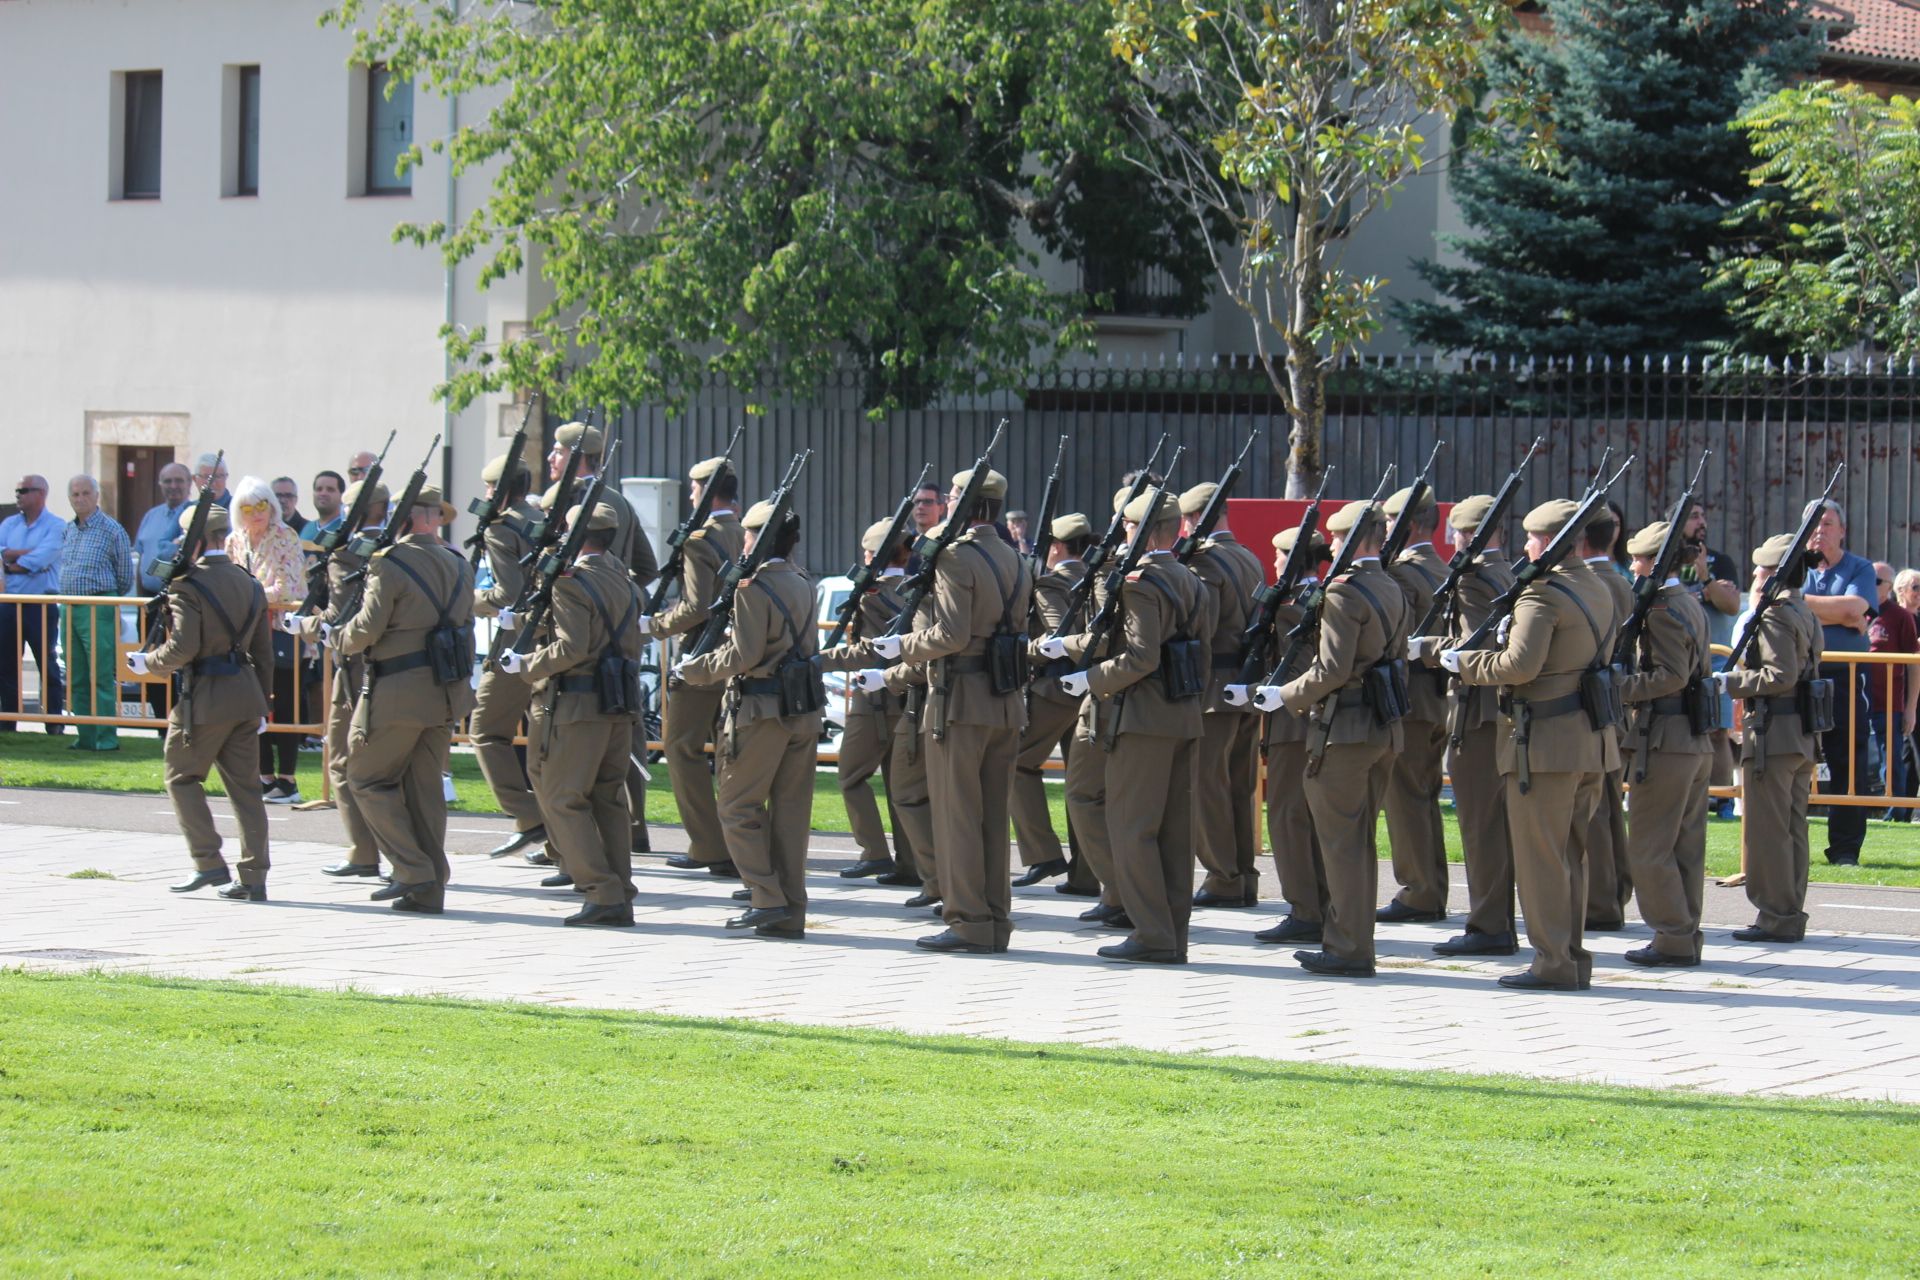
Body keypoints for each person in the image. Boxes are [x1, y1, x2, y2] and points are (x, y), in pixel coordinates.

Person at [1445, 499, 1618, 991]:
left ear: (1550, 541)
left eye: (1532, 538)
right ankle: (1571, 955)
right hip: (1587, 741)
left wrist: (1464, 663)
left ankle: (1552, 962)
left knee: (1542, 859)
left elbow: (1520, 666)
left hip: (1542, 746)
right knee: (1570, 857)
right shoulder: (1597, 586)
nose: (1525, 546)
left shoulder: (1542, 594)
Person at [863, 468, 1030, 955]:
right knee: (993, 820)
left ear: (969, 503)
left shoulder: (957, 557)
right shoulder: (1016, 558)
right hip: (1004, 700)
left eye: (954, 495)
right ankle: (995, 917)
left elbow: (952, 635)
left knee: (958, 816)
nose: (948, 501)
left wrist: (901, 645)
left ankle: (967, 921)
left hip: (959, 700)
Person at [1048, 490, 1212, 964]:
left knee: (1132, 828)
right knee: (1174, 835)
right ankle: (1171, 933)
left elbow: (1141, 656)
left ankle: (1152, 935)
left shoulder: (1142, 582)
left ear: (1134, 531)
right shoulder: (1188, 577)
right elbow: (1198, 654)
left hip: (1141, 718)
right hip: (1182, 715)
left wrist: (1090, 680)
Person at [1254, 499, 1406, 978]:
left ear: (1354, 541)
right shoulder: (1389, 584)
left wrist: (1284, 695)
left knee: (1341, 845)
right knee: (1357, 843)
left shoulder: (1344, 592)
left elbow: (1332, 670)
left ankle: (1348, 948)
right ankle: (1353, 941)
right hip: (1383, 727)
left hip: (1344, 730)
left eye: (1337, 539)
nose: (1331, 547)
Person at [675, 500, 820, 940]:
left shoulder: (752, 587)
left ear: (756, 538)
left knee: (737, 806)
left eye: (747, 536)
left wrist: (691, 669)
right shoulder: (801, 581)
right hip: (802, 708)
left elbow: (744, 654)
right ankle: (789, 910)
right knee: (790, 815)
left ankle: (765, 897)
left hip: (760, 710)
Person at [331, 484, 477, 915]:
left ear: (405, 518)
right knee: (424, 790)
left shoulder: (389, 564)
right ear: (432, 519)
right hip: (446, 692)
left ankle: (412, 870)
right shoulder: (458, 563)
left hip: (398, 690)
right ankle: (429, 890)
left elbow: (368, 628)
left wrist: (337, 635)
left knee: (365, 777)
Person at [500, 500, 643, 927]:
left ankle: (602, 891)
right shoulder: (625, 582)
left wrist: (524, 665)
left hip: (578, 706)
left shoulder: (572, 583)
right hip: (618, 703)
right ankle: (619, 888)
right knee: (608, 800)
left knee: (562, 799)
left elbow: (572, 647)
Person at [128, 505, 275, 901]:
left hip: (205, 698)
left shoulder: (187, 586)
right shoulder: (248, 582)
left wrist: (149, 664)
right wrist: (264, 702)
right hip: (246, 695)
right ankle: (254, 875)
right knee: (246, 791)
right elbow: (263, 651)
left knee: (180, 777)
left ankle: (208, 862)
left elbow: (183, 647)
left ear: (194, 539)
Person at [1416, 495, 1520, 957]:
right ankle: (1493, 919)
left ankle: (1489, 924)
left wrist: (1425, 646)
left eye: (1456, 532)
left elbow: (1473, 647)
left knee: (1481, 824)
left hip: (1477, 712)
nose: (1452, 539)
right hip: (1489, 711)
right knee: (1490, 823)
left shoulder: (1476, 579)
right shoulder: (1503, 571)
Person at [1616, 521, 1714, 967]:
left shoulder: (1662, 609)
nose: (1633, 565)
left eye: (1638, 558)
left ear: (1655, 562)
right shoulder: (1686, 602)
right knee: (1684, 847)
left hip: (1666, 740)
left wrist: (1619, 687)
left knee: (1650, 846)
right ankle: (1684, 933)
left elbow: (1670, 676)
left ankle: (1672, 935)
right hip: (1689, 739)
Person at [645, 456, 747, 876]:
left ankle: (708, 844)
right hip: (740, 650)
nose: (690, 495)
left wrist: (653, 625)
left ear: (706, 491)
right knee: (729, 752)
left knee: (681, 746)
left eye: (693, 488)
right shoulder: (746, 532)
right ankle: (738, 840)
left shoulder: (700, 540)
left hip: (701, 653)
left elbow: (693, 607)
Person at [1721, 533, 1823, 942]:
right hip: (1798, 733)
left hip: (1775, 735)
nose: (1756, 575)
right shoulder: (1803, 611)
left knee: (1769, 830)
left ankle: (1777, 916)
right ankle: (1788, 910)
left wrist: (1729, 681)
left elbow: (1779, 676)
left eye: (1761, 569)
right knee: (1792, 827)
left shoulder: (1777, 616)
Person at [284, 480, 388, 878]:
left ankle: (364, 851)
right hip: (403, 672)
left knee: (344, 764)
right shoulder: (402, 549)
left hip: (356, 672)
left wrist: (303, 624)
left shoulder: (347, 556)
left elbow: (338, 618)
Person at [1180, 482, 1266, 909]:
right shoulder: (1248, 555)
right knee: (1238, 784)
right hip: (1246, 685)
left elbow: (1203, 629)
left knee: (1207, 784)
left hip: (1215, 687)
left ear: (1192, 519)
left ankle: (1222, 877)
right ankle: (1242, 875)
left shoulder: (1205, 564)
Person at [1010, 514, 1102, 896]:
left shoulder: (1051, 581)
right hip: (1089, 688)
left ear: (1057, 548)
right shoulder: (1096, 577)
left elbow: (1056, 635)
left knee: (1015, 762)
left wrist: (1023, 651)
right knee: (1078, 785)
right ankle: (1084, 875)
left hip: (1053, 690)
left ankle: (1043, 852)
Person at [1250, 525, 1330, 945]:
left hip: (1293, 722)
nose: (1275, 562)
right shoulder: (1314, 598)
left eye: (1280, 556)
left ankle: (1305, 909)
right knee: (1306, 817)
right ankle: (1317, 903)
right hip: (1306, 720)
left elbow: (1296, 669)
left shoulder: (1293, 607)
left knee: (1287, 817)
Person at [829, 516, 920, 882]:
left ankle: (874, 852)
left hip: (874, 699)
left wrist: (822, 659)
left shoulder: (872, 596)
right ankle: (910, 863)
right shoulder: (916, 589)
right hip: (908, 695)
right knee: (900, 784)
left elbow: (867, 651)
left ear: (872, 554)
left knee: (850, 775)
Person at [1378, 484, 1452, 925]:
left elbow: (1392, 637)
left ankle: (1420, 891)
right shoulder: (1441, 568)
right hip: (1435, 697)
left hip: (1410, 696)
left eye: (1389, 522)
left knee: (1407, 799)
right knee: (1422, 797)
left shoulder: (1403, 574)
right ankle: (1429, 888)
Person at [468, 452, 547, 859]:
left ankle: (530, 816)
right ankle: (555, 837)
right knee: (544, 739)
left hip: (519, 643)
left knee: (484, 729)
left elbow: (508, 595)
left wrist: (469, 597)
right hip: (552, 640)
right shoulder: (541, 518)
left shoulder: (501, 529)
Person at [1801, 499, 1876, 867]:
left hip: (1845, 676)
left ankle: (1846, 849)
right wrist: (1839, 611)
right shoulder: (1793, 566)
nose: (1819, 530)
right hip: (1799, 675)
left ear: (1842, 530)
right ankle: (1788, 842)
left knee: (1849, 760)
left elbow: (1855, 610)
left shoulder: (1859, 567)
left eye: (1827, 523)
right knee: (1794, 759)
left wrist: (1799, 602)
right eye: (1813, 524)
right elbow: (1769, 601)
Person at [226, 475, 309, 802]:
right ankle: (264, 777)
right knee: (253, 704)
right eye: (248, 507)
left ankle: (287, 780)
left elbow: (292, 588)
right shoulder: (234, 540)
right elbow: (227, 583)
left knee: (286, 704)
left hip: (280, 632)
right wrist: (252, 595)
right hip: (247, 633)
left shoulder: (285, 536)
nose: (256, 513)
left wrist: (251, 593)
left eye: (262, 505)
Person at [1575, 505, 1632, 930]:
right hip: (1612, 705)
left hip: (1594, 705)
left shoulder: (1595, 583)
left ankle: (1600, 902)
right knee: (1608, 809)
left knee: (1595, 812)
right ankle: (1611, 895)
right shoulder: (1618, 581)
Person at [58, 474, 134, 752]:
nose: (80, 499)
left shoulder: (112, 530)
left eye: (85, 493)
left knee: (100, 674)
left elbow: (125, 576)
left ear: (97, 495)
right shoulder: (68, 530)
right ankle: (85, 736)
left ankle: (106, 737)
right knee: (76, 674)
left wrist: (106, 600)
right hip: (69, 606)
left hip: (98, 605)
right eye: (75, 494)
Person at [1678, 501, 1743, 815]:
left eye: (1703, 515)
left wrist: (1705, 580)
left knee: (1718, 730)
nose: (1701, 521)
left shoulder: (1721, 561)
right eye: (1693, 517)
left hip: (1715, 661)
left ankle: (1722, 800)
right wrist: (1706, 594)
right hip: (1676, 658)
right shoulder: (1667, 560)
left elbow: (1730, 604)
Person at [0, 474, 66, 729]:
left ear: (41, 494)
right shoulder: (8, 524)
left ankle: (54, 723)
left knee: (47, 665)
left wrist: (13, 560)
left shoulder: (56, 525)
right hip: (8, 604)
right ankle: (8, 724)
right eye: (17, 491)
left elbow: (42, 558)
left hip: (40, 604)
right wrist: (20, 558)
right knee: (6, 666)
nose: (18, 495)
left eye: (24, 490)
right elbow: (3, 553)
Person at [1866, 561, 1917, 806]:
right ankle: (1852, 808)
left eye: (1877, 581)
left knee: (1892, 761)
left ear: (1889, 587)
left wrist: (1910, 708)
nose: (1870, 585)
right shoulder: (1854, 610)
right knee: (1851, 757)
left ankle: (1894, 811)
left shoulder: (1900, 616)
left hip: (1889, 701)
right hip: (1855, 698)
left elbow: (1913, 665)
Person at [134, 463, 194, 594]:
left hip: (180, 599)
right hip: (148, 598)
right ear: (160, 484)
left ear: (189, 483)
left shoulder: (195, 516)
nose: (173, 486)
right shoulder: (150, 516)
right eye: (168, 481)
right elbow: (141, 558)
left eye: (179, 481)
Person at [302, 471, 346, 542]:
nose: (323, 493)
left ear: (342, 496)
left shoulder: (347, 530)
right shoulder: (307, 528)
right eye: (319, 489)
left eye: (330, 489)